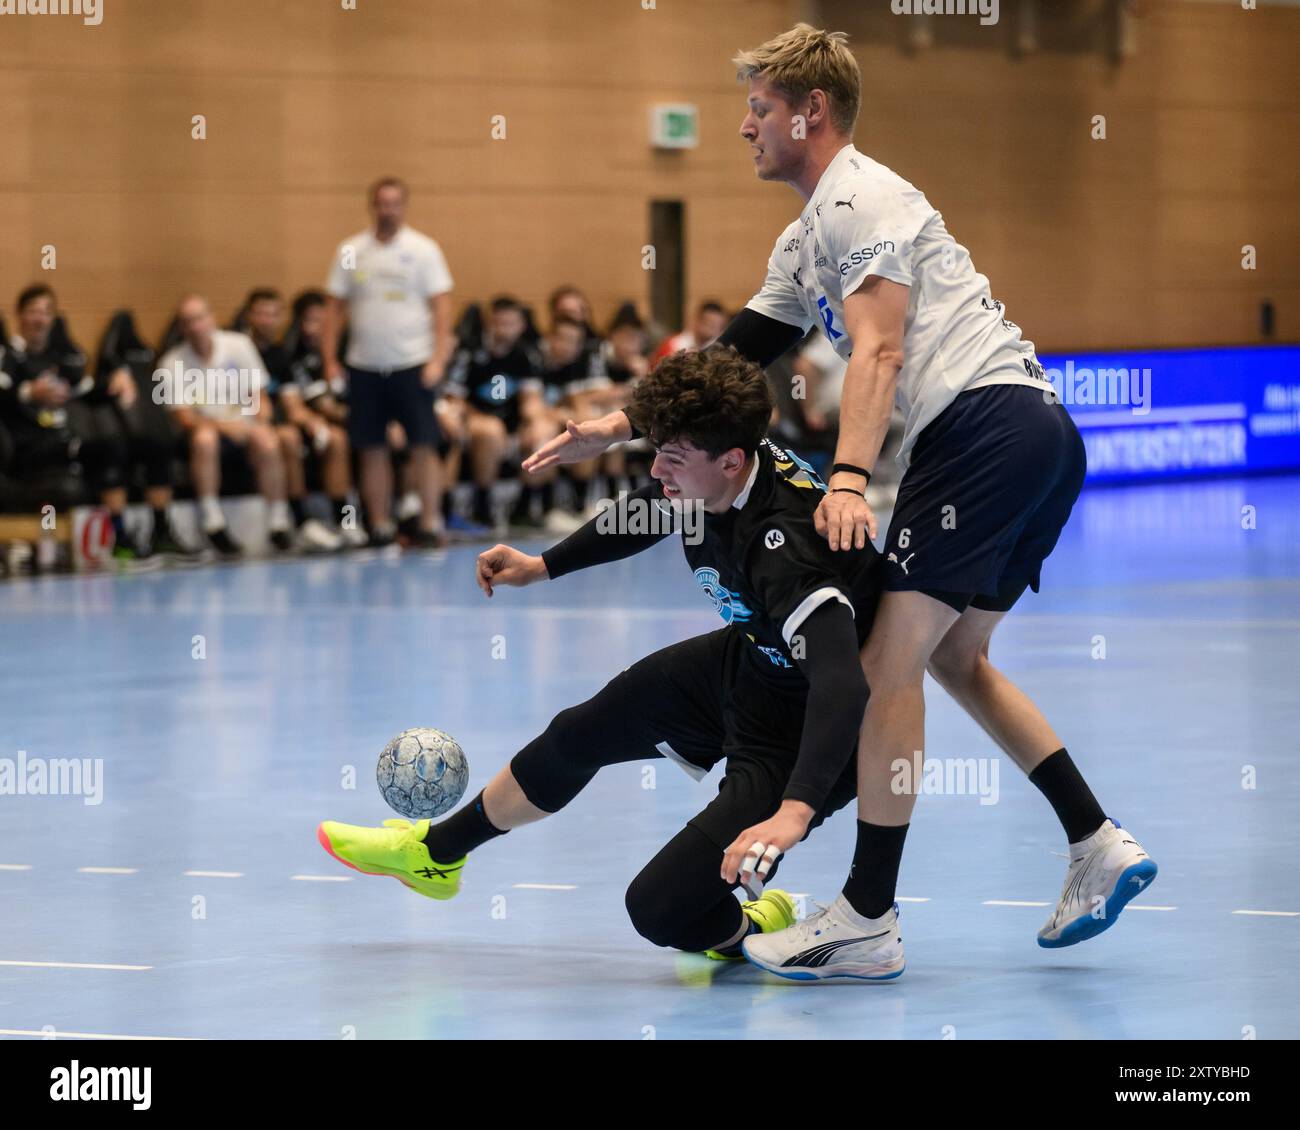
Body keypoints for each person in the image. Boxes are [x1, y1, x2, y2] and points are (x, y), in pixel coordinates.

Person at [522, 23, 1156, 980]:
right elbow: (734, 357)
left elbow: (884, 349)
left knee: (883, 666)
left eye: (759, 109)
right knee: (958, 659)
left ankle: (866, 913)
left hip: (978, 430)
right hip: (1034, 436)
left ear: (810, 112)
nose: (745, 127)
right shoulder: (806, 235)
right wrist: (617, 426)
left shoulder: (864, 199)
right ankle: (1095, 839)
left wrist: (851, 478)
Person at [317, 346, 890, 967]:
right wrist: (543, 566)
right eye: (656, 451)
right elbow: (650, 509)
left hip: (810, 729)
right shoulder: (713, 470)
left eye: (673, 458)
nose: (660, 471)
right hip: (752, 662)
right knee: (580, 732)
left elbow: (844, 686)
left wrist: (795, 811)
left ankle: (749, 926)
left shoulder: (789, 550)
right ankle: (438, 854)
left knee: (659, 908)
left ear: (731, 462)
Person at [321, 176, 456, 548]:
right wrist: (330, 359)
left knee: (424, 444)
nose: (388, 211)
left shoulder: (424, 249)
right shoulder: (350, 250)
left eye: (395, 203)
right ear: (372, 206)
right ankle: (380, 524)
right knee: (371, 446)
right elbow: (333, 308)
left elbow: (442, 308)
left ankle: (430, 521)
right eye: (381, 203)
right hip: (364, 365)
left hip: (413, 363)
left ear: (404, 206)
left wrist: (438, 359)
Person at [157, 294, 288, 557]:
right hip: (205, 431)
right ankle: (213, 521)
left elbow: (260, 399)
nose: (196, 326)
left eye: (200, 318)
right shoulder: (171, 363)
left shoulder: (238, 345)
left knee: (268, 438)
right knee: (204, 439)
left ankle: (278, 522)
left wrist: (255, 423)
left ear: (212, 318)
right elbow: (184, 418)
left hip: (245, 425)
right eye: (188, 321)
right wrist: (226, 427)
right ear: (181, 328)